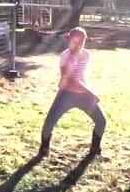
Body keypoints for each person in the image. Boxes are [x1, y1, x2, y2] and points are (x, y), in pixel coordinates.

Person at [39, 27, 107, 157]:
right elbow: (70, 80)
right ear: (69, 40)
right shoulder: (65, 56)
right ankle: (43, 150)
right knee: (49, 123)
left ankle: (95, 150)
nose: (77, 46)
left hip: (83, 95)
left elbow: (80, 76)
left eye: (80, 42)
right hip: (66, 94)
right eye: (74, 42)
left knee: (101, 121)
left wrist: (87, 93)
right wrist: (90, 93)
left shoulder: (87, 55)